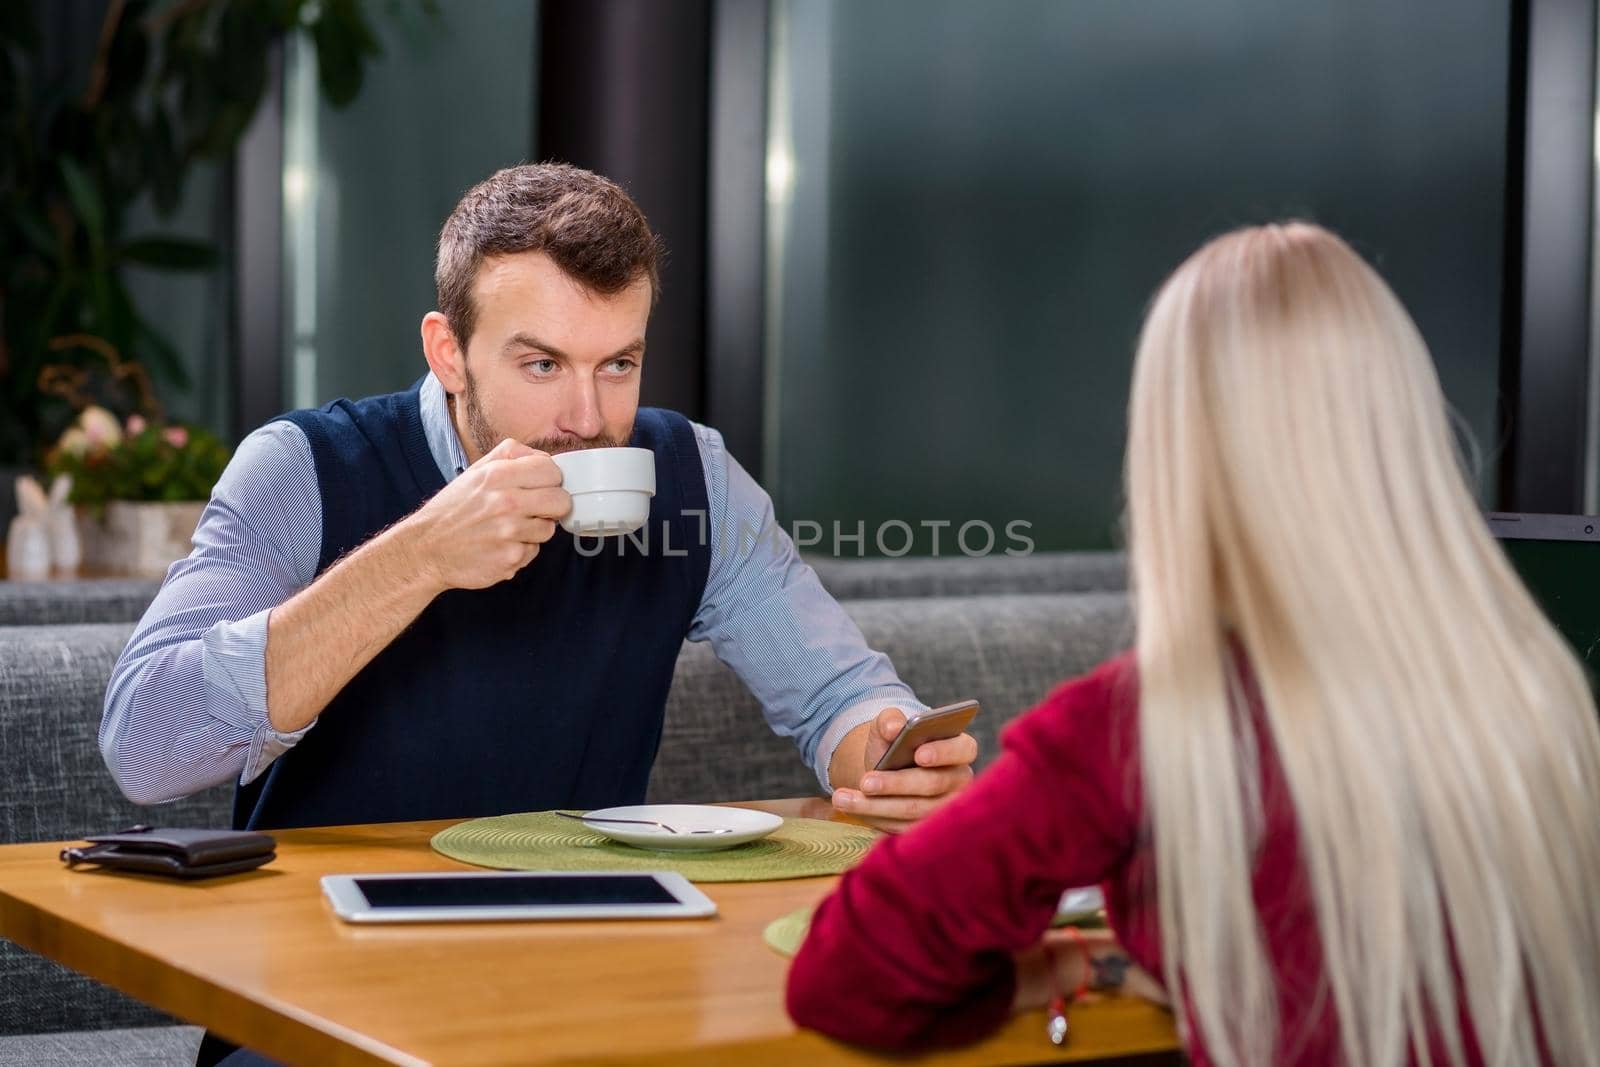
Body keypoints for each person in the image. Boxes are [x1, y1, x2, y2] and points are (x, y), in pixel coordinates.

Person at [786, 223, 1600, 1065]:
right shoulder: (1540, 690)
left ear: (1180, 451)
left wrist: (1071, 961)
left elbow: (844, 972)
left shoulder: (1149, 725)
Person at [99, 163, 977, 835]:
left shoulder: (694, 477)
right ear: (449, 353)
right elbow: (143, 746)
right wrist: (420, 556)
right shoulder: (301, 468)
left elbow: (836, 698)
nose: (588, 418)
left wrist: (890, 757)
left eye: (618, 365)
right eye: (543, 364)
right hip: (320, 967)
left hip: (584, 956)